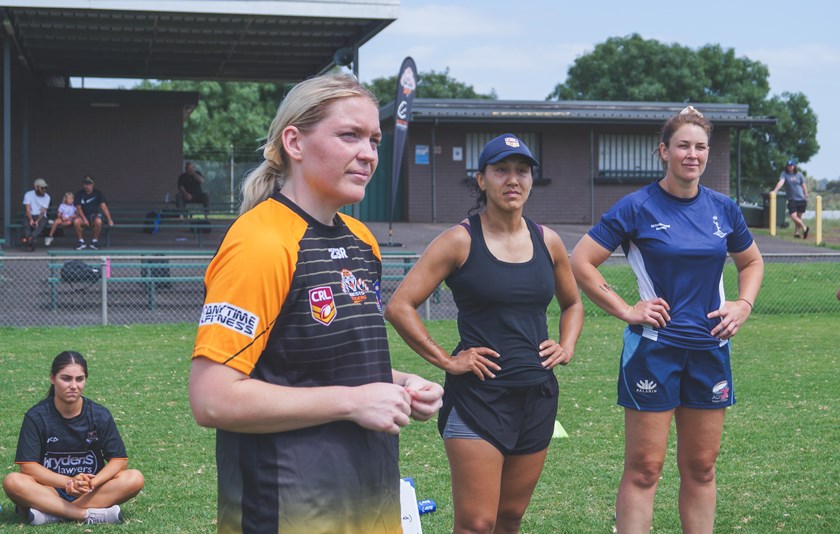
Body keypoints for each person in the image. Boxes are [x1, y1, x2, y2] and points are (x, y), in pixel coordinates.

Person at [188, 73, 443, 534]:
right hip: (288, 513)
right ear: (294, 142)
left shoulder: (363, 241)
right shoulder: (259, 243)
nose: (368, 153)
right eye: (349, 135)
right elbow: (212, 399)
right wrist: (352, 402)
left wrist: (402, 384)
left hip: (370, 504)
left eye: (374, 139)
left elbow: (322, 365)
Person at [570, 106, 764, 534]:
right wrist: (625, 309)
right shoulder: (637, 206)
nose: (691, 155)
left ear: (707, 153)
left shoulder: (723, 209)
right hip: (653, 351)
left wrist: (743, 305)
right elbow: (582, 261)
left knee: (702, 468)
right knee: (645, 469)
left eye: (699, 147)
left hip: (711, 350)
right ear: (664, 151)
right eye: (682, 146)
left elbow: (751, 262)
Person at [385, 134, 584, 533]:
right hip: (478, 398)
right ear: (481, 180)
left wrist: (566, 346)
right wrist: (447, 360)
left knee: (509, 518)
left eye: (522, 171)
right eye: (501, 171)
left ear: (531, 180)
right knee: (477, 523)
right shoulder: (460, 240)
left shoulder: (549, 241)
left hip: (536, 396)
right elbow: (399, 306)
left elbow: (573, 304)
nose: (513, 180)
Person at [2, 351, 145, 526]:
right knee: (13, 481)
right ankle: (84, 515)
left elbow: (119, 461)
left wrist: (92, 483)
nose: (73, 385)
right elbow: (28, 467)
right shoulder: (36, 416)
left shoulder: (99, 414)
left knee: (134, 478)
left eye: (79, 379)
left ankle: (51, 513)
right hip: (49, 490)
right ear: (53, 378)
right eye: (66, 378)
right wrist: (68, 482)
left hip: (89, 491)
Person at [73, 175, 114, 250]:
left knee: (98, 221)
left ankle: (94, 242)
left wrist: (109, 219)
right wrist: (84, 219)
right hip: (83, 216)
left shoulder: (98, 193)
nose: (87, 186)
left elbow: (103, 206)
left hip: (94, 216)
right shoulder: (79, 193)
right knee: (76, 221)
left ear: (92, 184)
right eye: (85, 184)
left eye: (89, 184)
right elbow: (78, 208)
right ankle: (81, 242)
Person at [771, 159, 809, 239]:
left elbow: (803, 185)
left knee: (799, 217)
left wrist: (806, 194)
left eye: (791, 166)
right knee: (793, 216)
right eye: (788, 166)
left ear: (794, 166)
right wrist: (775, 190)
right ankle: (804, 228)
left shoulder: (799, 174)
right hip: (792, 199)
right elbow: (781, 182)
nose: (790, 167)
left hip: (801, 198)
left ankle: (797, 233)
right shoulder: (784, 174)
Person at [20, 178, 51, 251]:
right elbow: (27, 209)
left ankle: (30, 239)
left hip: (41, 216)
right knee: (26, 223)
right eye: (42, 188)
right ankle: (30, 240)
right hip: (30, 215)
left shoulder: (47, 197)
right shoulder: (28, 194)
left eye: (45, 188)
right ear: (36, 187)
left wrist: (37, 221)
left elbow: (43, 212)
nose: (44, 190)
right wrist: (31, 220)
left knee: (41, 224)